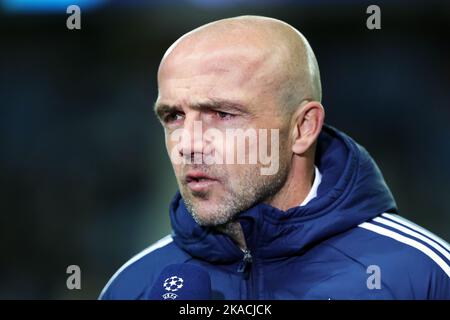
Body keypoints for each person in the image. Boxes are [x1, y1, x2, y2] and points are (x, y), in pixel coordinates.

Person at [99, 15, 450, 300]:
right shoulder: (132, 287)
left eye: (223, 114)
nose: (188, 144)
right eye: (174, 116)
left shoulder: (422, 277)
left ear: (303, 128)